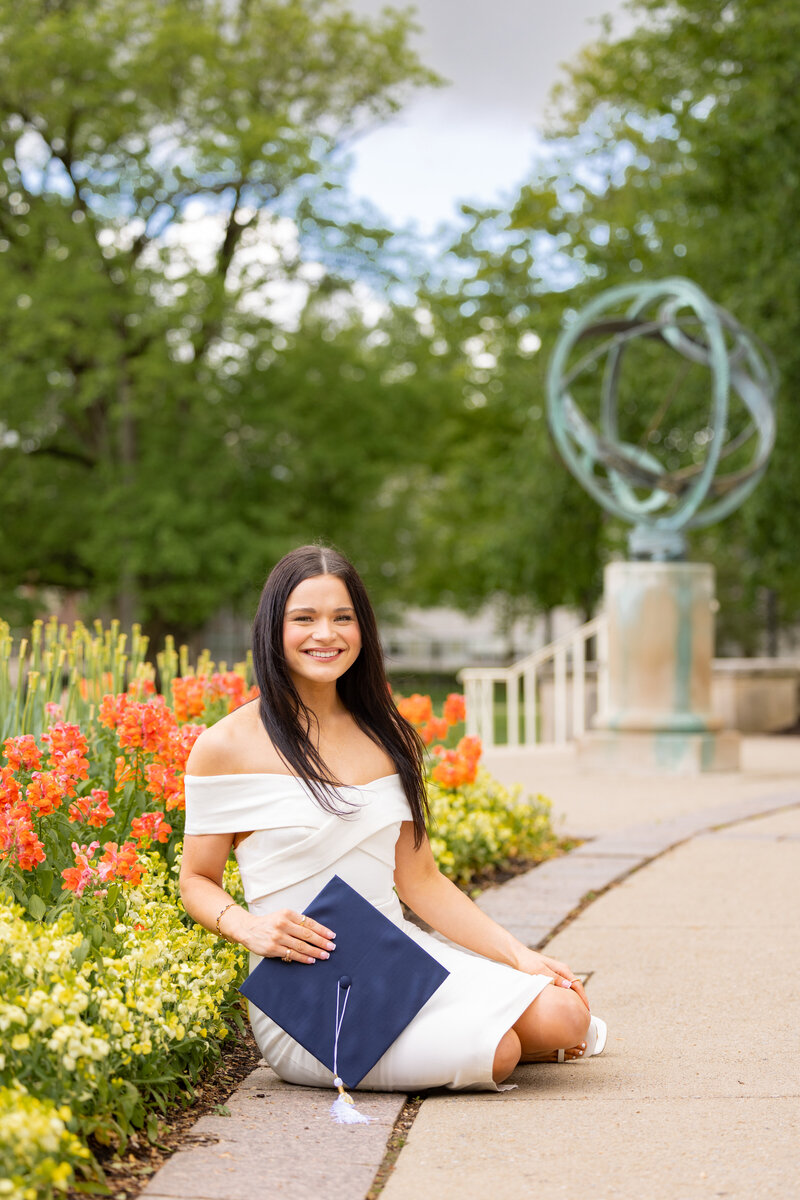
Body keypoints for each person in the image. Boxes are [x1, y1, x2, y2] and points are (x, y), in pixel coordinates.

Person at [180, 545, 606, 1091]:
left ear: (363, 628)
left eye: (342, 618)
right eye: (304, 618)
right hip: (311, 986)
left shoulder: (388, 735)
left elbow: (421, 880)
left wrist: (519, 956)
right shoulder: (225, 746)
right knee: (499, 1051)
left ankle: (472, 1036)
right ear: (273, 629)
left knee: (566, 1014)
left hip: (398, 956)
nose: (325, 634)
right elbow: (196, 880)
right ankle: (480, 1042)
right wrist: (248, 926)